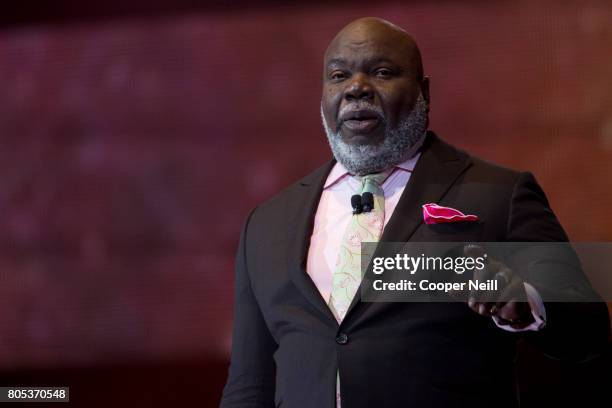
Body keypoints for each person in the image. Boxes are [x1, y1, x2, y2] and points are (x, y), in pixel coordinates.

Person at [220, 17, 610, 408]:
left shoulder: (498, 194)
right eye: (339, 75)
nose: (356, 88)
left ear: (423, 92)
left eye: (382, 72)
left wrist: (525, 303)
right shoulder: (268, 223)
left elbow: (587, 330)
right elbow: (249, 384)